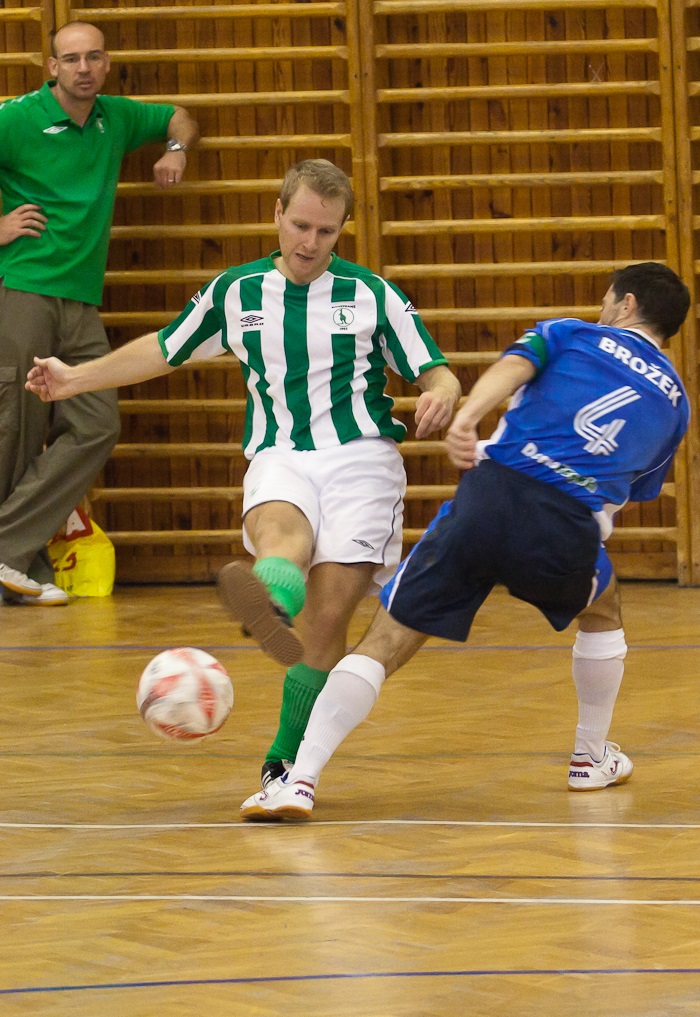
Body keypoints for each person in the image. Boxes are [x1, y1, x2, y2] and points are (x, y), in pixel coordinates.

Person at [25, 158, 462, 781]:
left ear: (342, 230)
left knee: (327, 620)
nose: (310, 243)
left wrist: (442, 392)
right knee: (283, 536)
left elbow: (435, 370)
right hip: (279, 452)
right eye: (300, 226)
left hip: (362, 461)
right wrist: (74, 380)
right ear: (277, 214)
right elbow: (166, 348)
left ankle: (285, 759)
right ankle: (272, 599)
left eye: (326, 232)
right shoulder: (237, 291)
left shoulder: (372, 295)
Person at [236, 261, 692, 821]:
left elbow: (515, 366)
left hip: (489, 497)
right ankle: (589, 756)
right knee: (603, 609)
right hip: (567, 527)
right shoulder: (677, 405)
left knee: (385, 641)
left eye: (606, 300)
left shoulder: (571, 333)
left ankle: (298, 781)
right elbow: (637, 486)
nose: (601, 309)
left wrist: (469, 417)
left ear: (626, 304)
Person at [0, 20, 199, 606]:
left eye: (93, 58)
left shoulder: (116, 117)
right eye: (71, 59)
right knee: (16, 430)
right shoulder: (17, 119)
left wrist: (176, 150)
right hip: (25, 290)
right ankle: (15, 561)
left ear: (107, 63)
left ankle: (8, 550)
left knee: (97, 424)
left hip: (82, 303)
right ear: (51, 67)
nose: (83, 68)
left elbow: (179, 117)